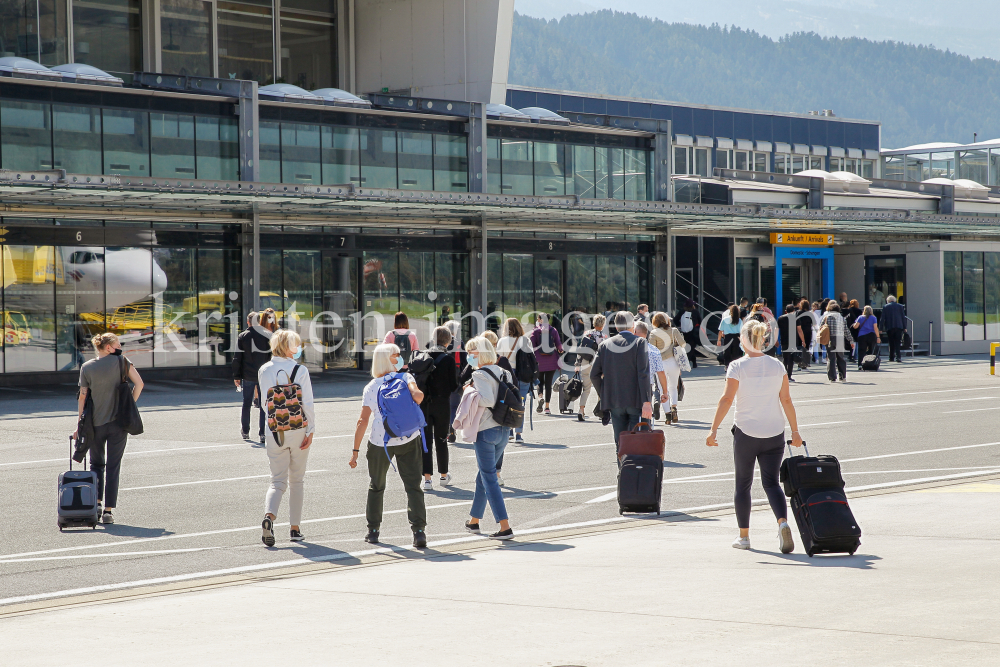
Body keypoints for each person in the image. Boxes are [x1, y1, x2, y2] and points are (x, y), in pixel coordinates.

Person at [706, 319, 804, 552]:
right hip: (774, 432)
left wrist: (713, 429)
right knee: (772, 483)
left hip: (747, 432)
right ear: (762, 339)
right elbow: (786, 400)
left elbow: (727, 399)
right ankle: (782, 523)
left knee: (743, 485)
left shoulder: (737, 366)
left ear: (743, 339)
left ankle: (744, 537)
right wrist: (796, 432)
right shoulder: (777, 366)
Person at [349, 343, 428, 549]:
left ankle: (373, 530)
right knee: (413, 487)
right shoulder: (406, 377)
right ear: (388, 359)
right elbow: (418, 397)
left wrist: (355, 451)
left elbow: (362, 421)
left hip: (379, 442)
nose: (400, 358)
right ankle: (419, 532)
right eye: (396, 355)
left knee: (376, 486)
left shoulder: (371, 387)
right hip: (409, 437)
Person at [72, 333, 144, 525]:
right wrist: (129, 406)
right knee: (113, 467)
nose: (120, 346)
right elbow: (139, 384)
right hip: (118, 424)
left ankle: (96, 504)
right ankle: (108, 512)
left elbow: (82, 397)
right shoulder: (122, 361)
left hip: (95, 424)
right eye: (117, 344)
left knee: (96, 465)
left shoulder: (87, 367)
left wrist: (79, 425)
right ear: (109, 348)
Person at [257, 329, 316, 546]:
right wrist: (311, 430)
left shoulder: (264, 369)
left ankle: (269, 517)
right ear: (289, 347)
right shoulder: (300, 370)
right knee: (297, 480)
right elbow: (307, 403)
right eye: (296, 345)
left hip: (274, 430)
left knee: (277, 481)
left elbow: (265, 403)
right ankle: (294, 529)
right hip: (298, 428)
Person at [462, 336, 515, 540]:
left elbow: (487, 399)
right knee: (483, 476)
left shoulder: (480, 374)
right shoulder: (503, 372)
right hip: (503, 428)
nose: (469, 357)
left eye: (471, 353)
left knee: (489, 478)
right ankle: (474, 521)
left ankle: (505, 526)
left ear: (480, 354)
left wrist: (470, 391)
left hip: (486, 429)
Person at [590, 311, 653, 456]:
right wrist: (647, 401)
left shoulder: (604, 345)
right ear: (632, 325)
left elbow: (594, 375)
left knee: (620, 441)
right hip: (636, 400)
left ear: (616, 327)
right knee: (638, 440)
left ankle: (623, 471)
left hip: (614, 401)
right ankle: (636, 471)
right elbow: (643, 374)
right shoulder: (640, 342)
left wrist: (604, 393)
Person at [420, 326, 458, 490]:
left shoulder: (423, 356)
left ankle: (427, 479)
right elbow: (453, 385)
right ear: (448, 341)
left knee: (426, 441)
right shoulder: (448, 359)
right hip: (442, 403)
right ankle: (443, 475)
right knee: (442, 439)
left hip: (424, 404)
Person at [233, 309, 277, 444]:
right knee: (264, 405)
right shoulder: (268, 335)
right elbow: (272, 356)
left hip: (247, 375)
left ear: (248, 322)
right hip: (264, 375)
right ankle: (262, 433)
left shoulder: (243, 336)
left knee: (246, 404)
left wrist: (237, 376)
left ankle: (245, 431)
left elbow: (237, 358)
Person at [497, 317, 534, 442]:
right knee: (520, 403)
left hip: (507, 374)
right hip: (523, 374)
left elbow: (498, 359)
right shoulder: (526, 340)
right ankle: (519, 434)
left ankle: (509, 431)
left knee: (507, 402)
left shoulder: (502, 341)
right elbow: (532, 358)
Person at [650, 312, 685, 425]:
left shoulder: (654, 333)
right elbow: (683, 344)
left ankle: (668, 415)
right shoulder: (674, 330)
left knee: (662, 389)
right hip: (674, 361)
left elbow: (651, 349)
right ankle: (674, 407)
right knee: (673, 387)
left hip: (660, 363)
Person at [573, 314, 607, 422]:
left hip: (585, 363)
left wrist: (577, 365)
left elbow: (580, 350)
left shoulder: (586, 334)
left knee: (586, 389)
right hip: (597, 364)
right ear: (603, 324)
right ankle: (601, 412)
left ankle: (581, 410)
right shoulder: (604, 337)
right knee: (600, 389)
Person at [634, 320, 669, 422]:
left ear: (635, 331)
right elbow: (661, 372)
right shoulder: (654, 350)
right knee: (646, 418)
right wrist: (665, 392)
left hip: (630, 386)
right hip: (647, 387)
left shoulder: (629, 348)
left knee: (632, 419)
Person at [530, 313, 563, 415]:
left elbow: (531, 345)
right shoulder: (553, 330)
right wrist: (560, 350)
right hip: (551, 360)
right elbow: (559, 345)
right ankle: (547, 407)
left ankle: (540, 397)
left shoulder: (535, 331)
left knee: (540, 382)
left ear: (540, 320)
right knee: (548, 383)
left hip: (539, 361)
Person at [822, 302, 850, 382]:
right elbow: (846, 330)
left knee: (831, 358)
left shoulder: (827, 317)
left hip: (830, 339)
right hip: (840, 339)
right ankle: (842, 376)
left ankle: (832, 377)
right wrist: (851, 340)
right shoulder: (842, 318)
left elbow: (821, 327)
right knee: (841, 358)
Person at [777, 304, 805, 381]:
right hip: (793, 341)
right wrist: (803, 341)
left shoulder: (780, 318)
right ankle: (789, 376)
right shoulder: (796, 318)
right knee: (791, 359)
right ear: (793, 311)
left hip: (784, 341)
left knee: (785, 358)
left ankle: (784, 375)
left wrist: (775, 339)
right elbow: (799, 330)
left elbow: (776, 330)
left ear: (786, 311)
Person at [677, 300, 703, 368]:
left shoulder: (682, 311)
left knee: (687, 347)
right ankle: (689, 361)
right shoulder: (695, 312)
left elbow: (675, 319)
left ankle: (694, 362)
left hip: (684, 333)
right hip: (693, 333)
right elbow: (700, 321)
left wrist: (680, 325)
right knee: (692, 347)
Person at [716, 304, 743, 368]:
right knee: (735, 352)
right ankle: (735, 366)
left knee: (727, 351)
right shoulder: (739, 320)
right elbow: (742, 331)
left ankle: (727, 365)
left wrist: (719, 340)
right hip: (737, 337)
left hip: (727, 337)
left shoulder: (725, 319)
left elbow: (720, 331)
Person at [881, 295, 906, 362]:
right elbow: (903, 317)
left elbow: (882, 318)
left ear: (888, 301)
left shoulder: (885, 307)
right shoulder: (900, 306)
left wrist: (880, 328)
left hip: (890, 327)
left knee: (891, 342)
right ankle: (898, 357)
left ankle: (891, 357)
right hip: (899, 326)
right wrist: (905, 327)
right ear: (894, 300)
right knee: (898, 342)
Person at [796, 300, 814, 371]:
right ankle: (805, 364)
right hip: (808, 331)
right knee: (806, 347)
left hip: (799, 331)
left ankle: (799, 364)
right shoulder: (810, 314)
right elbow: (813, 322)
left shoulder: (797, 312)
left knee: (799, 347)